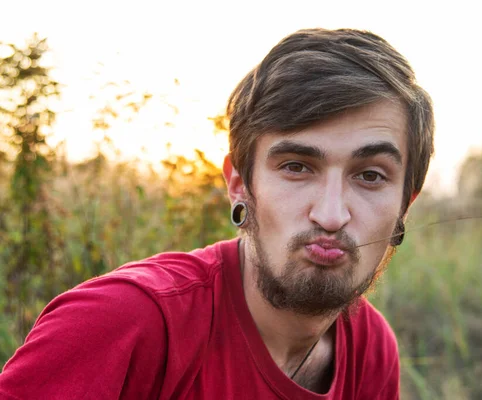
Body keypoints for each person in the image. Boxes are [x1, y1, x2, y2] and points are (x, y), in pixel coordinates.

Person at [0, 28, 434, 399]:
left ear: (404, 206)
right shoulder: (119, 323)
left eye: (371, 176)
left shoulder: (371, 351)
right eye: (297, 167)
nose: (331, 214)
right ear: (239, 184)